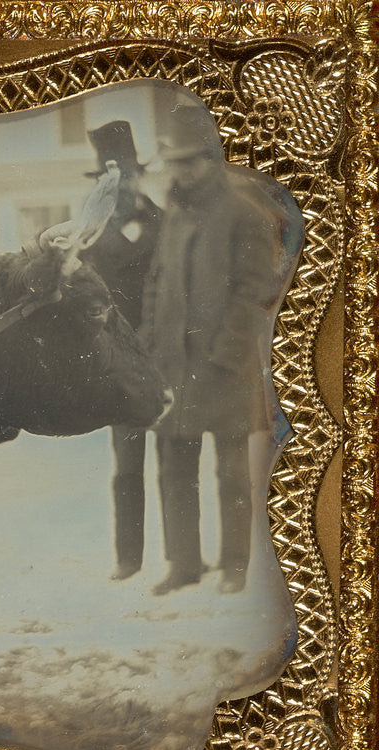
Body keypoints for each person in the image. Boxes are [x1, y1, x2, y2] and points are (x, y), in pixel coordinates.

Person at [142, 105, 287, 595]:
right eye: (175, 162)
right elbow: (155, 286)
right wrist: (148, 347)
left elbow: (254, 294)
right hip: (174, 367)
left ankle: (234, 566)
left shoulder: (244, 214)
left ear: (211, 159)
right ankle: (184, 566)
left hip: (224, 367)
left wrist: (225, 355)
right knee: (173, 469)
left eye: (191, 161)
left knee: (230, 474)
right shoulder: (175, 214)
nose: (182, 171)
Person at [78, 121, 161, 582]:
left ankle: (182, 561)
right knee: (128, 461)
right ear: (102, 183)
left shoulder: (165, 222)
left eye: (128, 175)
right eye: (113, 177)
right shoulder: (89, 234)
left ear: (138, 176)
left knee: (176, 459)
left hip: (167, 354)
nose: (123, 184)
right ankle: (129, 558)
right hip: (121, 359)